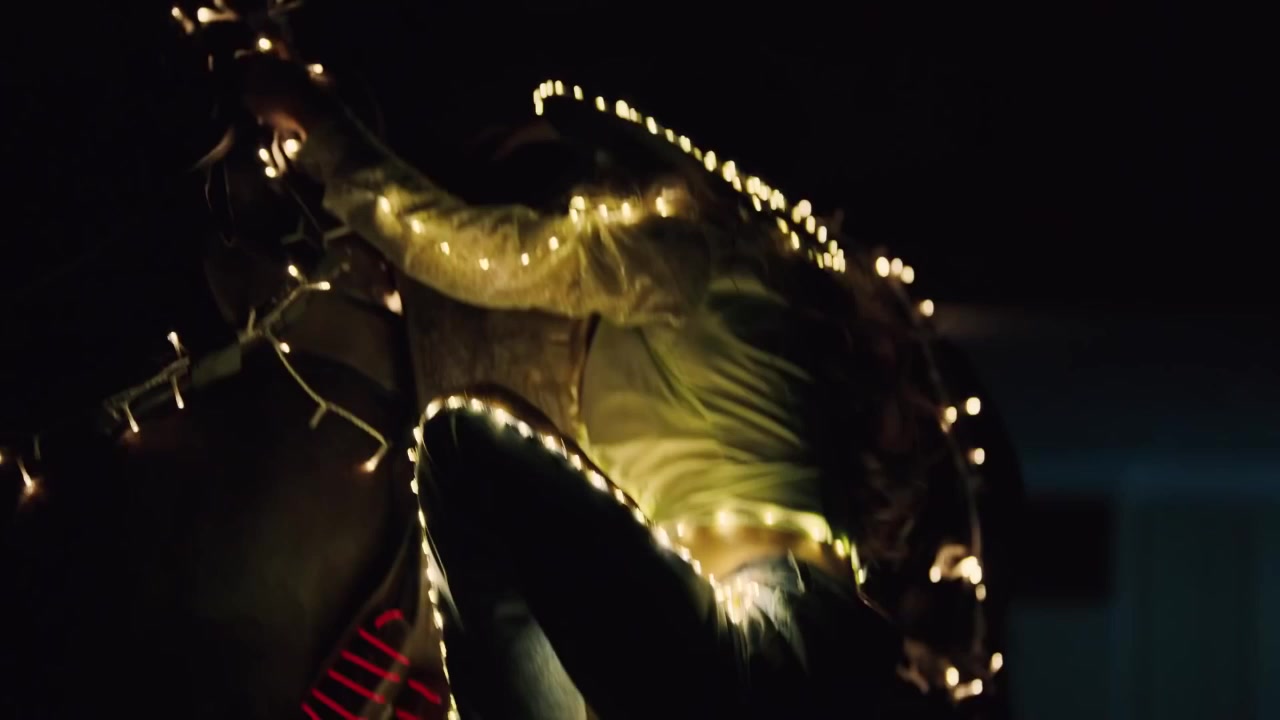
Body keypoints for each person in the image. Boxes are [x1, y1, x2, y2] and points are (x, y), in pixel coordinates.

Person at [242, 55, 937, 719]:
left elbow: (478, 253)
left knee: (461, 446)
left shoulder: (688, 253)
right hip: (811, 655)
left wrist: (318, 126)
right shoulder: (782, 295)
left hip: (757, 637)